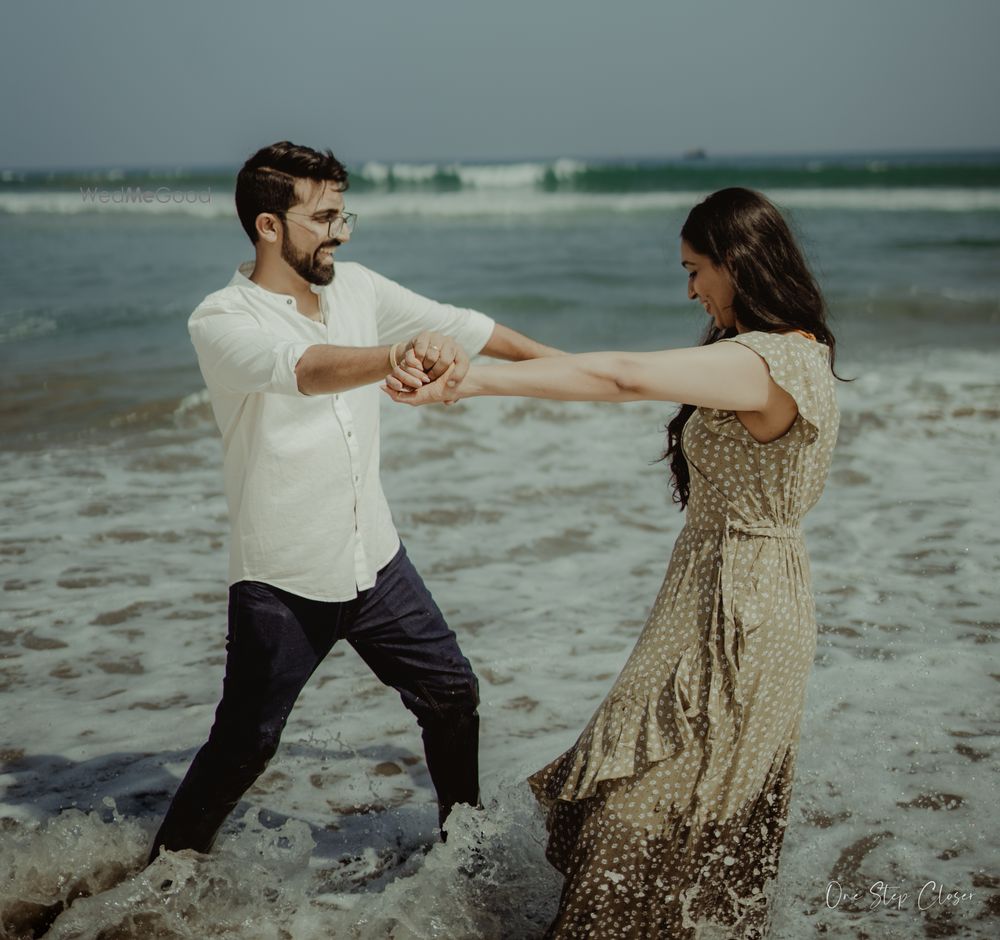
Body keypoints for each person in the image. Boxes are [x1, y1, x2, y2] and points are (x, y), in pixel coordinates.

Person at [386, 187, 842, 939]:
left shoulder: (768, 361)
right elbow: (612, 377)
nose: (690, 288)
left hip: (742, 609)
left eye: (696, 269)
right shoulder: (771, 353)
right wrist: (502, 372)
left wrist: (473, 378)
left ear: (738, 262)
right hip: (722, 588)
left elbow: (625, 377)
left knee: (653, 806)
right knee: (658, 803)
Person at [148, 140, 558, 862]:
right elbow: (303, 370)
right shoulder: (220, 319)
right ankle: (162, 877)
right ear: (269, 226)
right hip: (283, 577)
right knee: (247, 744)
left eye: (344, 215)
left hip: (377, 559)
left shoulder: (359, 289)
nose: (339, 231)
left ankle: (461, 852)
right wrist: (395, 356)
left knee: (452, 697)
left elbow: (473, 327)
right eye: (325, 217)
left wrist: (586, 374)